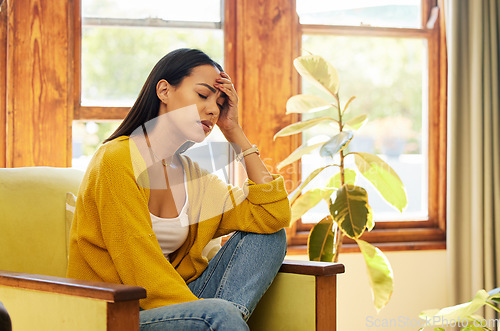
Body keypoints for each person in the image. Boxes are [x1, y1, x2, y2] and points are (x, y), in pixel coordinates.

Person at [66, 48, 291, 330]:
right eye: (202, 95)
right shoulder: (117, 159)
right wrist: (206, 312)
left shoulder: (193, 176)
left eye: (220, 104)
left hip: (181, 308)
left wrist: (235, 133)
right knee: (220, 316)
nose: (213, 109)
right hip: (118, 316)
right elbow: (138, 265)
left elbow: (273, 215)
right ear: (164, 90)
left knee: (269, 237)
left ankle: (225, 322)